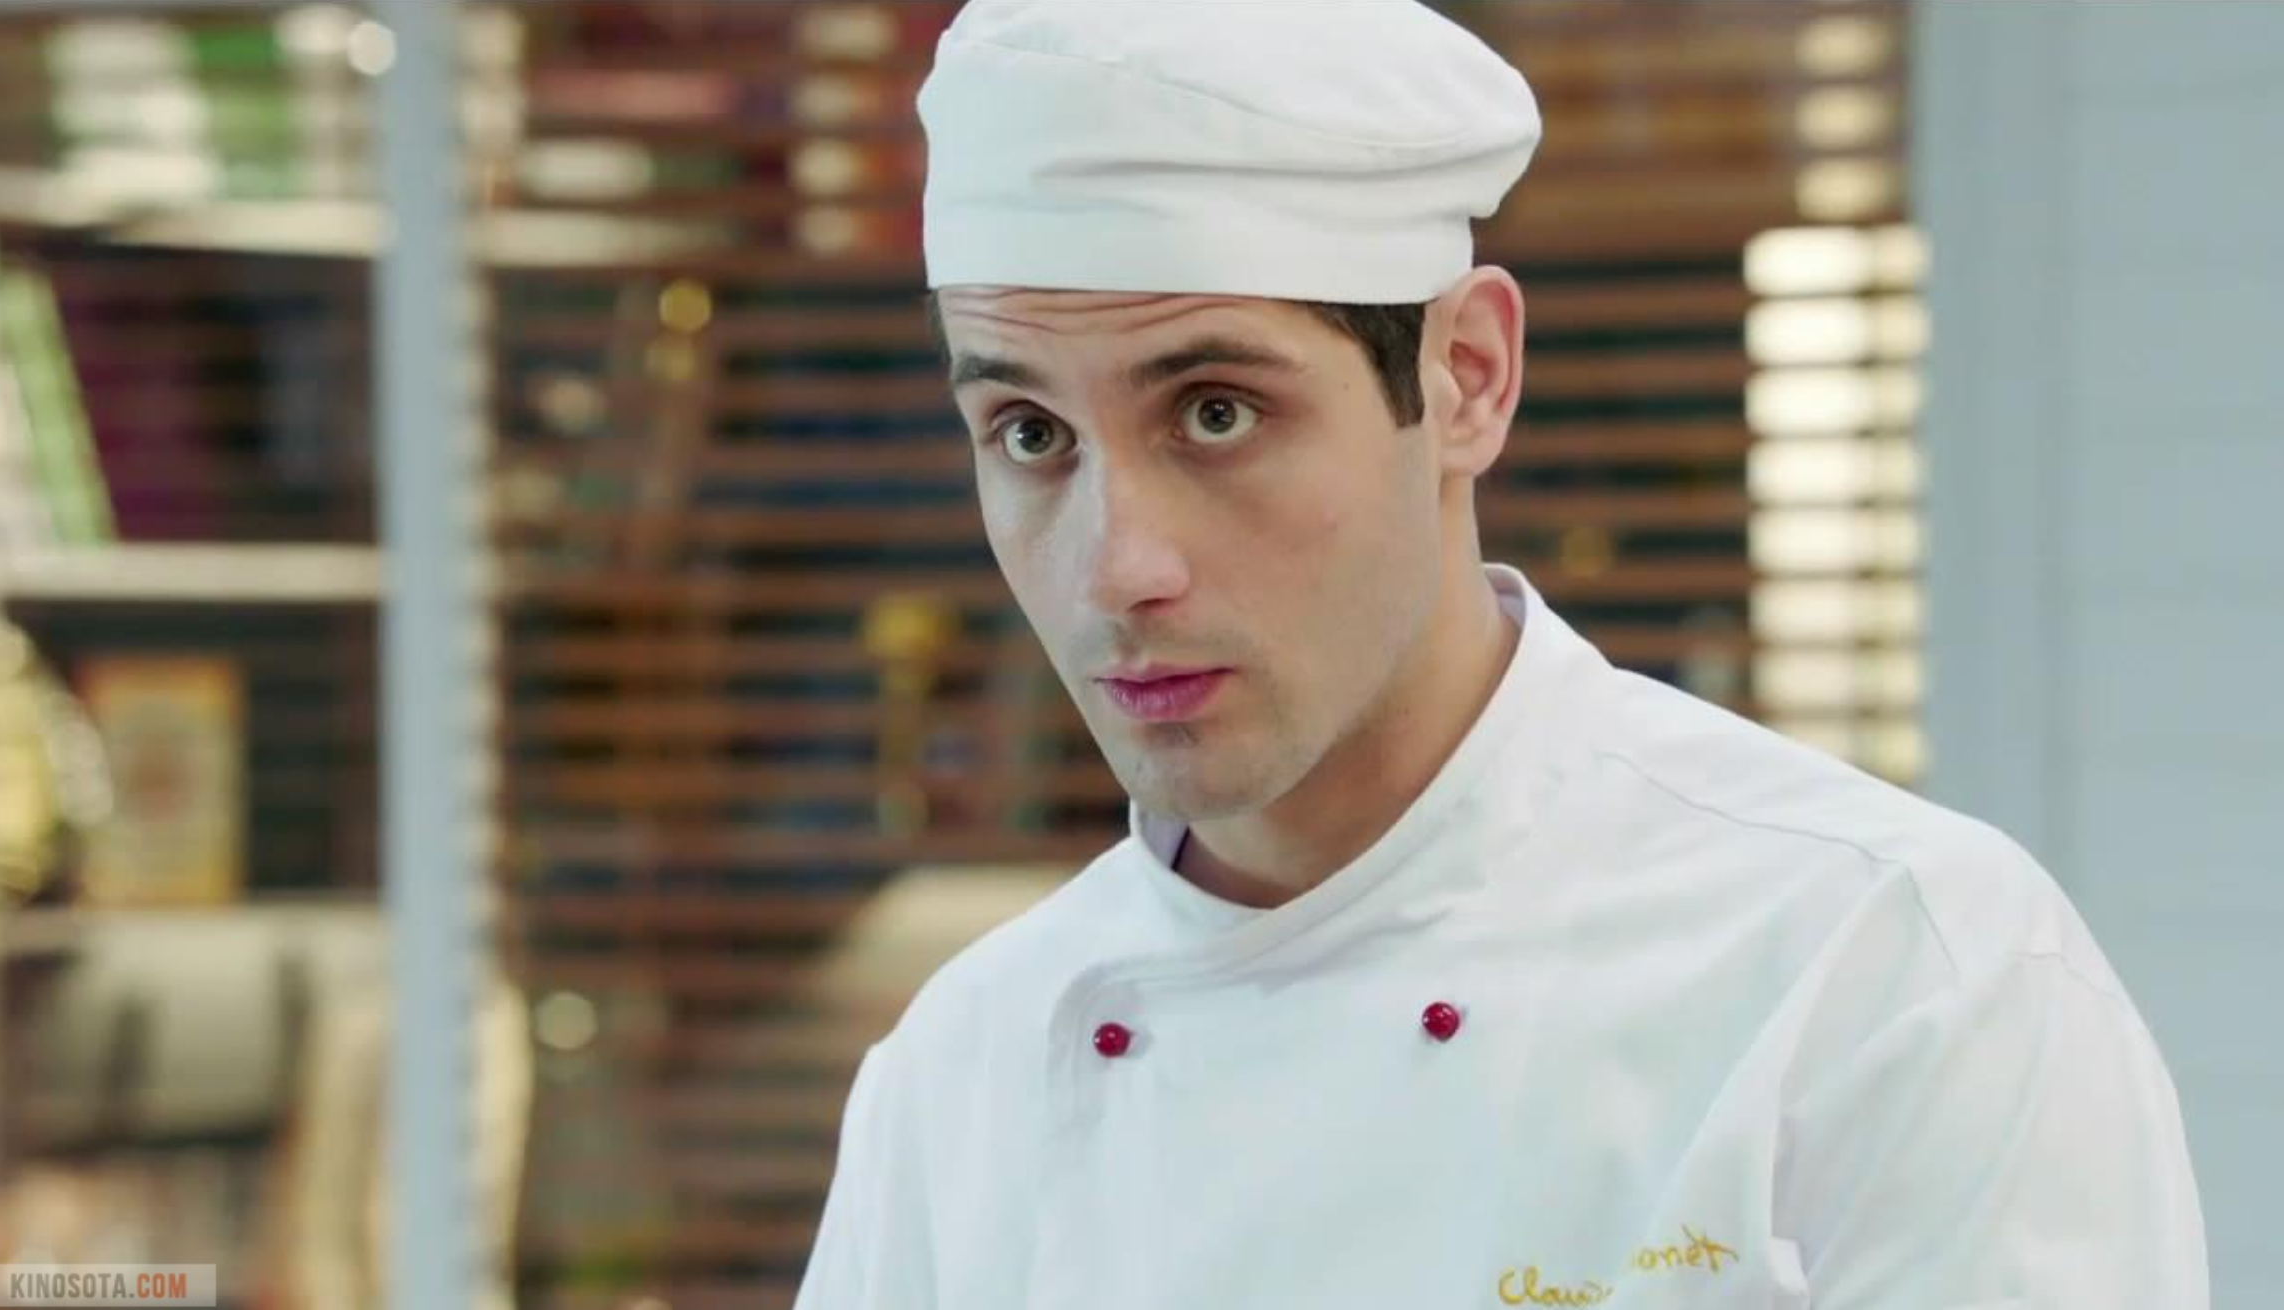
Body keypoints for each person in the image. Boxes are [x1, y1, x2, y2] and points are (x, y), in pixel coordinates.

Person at [793, 2, 2209, 1306]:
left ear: (1464, 378)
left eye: (1216, 412)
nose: (1118, 569)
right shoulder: (957, 1077)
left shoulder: (1886, 977)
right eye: (1031, 434)